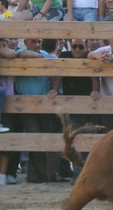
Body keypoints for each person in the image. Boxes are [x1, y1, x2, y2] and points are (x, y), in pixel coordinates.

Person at [47, 39, 101, 182]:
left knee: (88, 139)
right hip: (71, 104)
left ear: (85, 48)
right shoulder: (65, 56)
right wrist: (54, 90)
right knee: (75, 140)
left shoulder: (88, 57)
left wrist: (95, 92)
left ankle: (84, 175)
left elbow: (95, 78)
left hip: (87, 105)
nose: (77, 49)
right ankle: (77, 175)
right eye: (75, 46)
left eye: (80, 47)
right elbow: (59, 75)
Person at [16, 39, 65, 183]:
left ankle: (34, 175)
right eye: (33, 42)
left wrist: (54, 89)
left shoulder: (45, 54)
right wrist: (39, 57)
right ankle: (45, 173)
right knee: (36, 136)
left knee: (40, 139)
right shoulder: (22, 52)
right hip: (26, 104)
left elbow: (60, 68)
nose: (36, 45)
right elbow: (21, 53)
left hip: (44, 104)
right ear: (26, 42)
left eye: (38, 42)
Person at [0, 38, 16, 185]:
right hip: (6, 103)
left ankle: (3, 175)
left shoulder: (12, 54)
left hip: (8, 105)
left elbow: (11, 54)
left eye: (4, 44)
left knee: (7, 139)